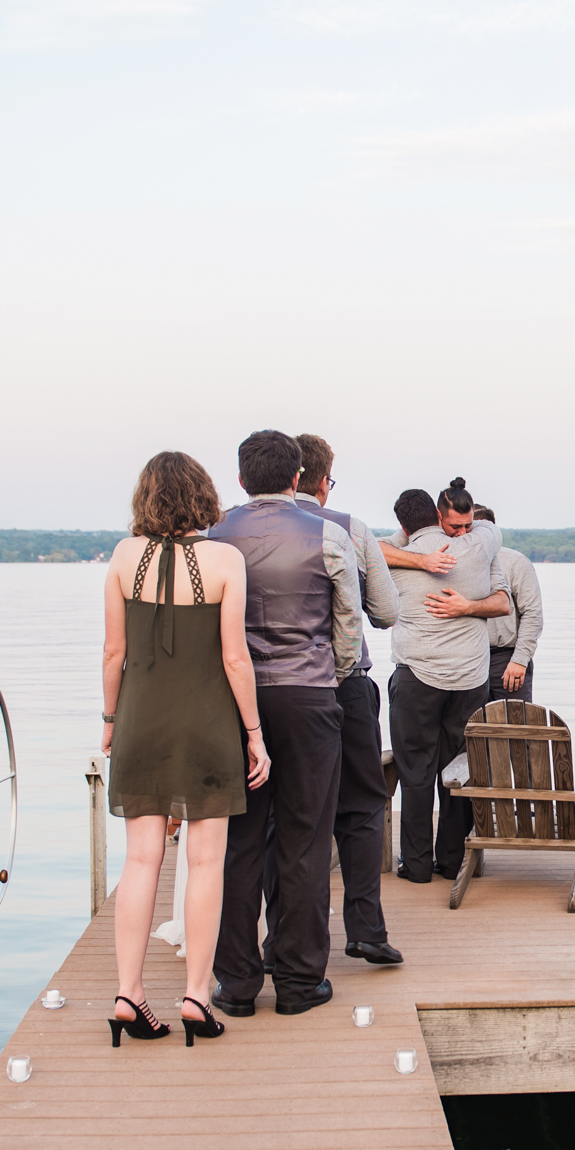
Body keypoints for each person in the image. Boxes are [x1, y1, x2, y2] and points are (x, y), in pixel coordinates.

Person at [100, 450, 269, 1051]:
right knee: (206, 862)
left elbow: (113, 655)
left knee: (140, 860)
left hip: (142, 721)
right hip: (208, 725)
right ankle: (197, 996)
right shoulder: (227, 559)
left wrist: (111, 721)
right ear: (202, 495)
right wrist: (254, 734)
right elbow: (233, 658)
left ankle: (128, 994)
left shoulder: (123, 557)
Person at [206, 430, 362, 1017]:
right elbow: (348, 624)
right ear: (298, 478)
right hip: (309, 696)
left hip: (231, 703)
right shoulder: (329, 534)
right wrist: (335, 675)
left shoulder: (215, 535)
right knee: (305, 839)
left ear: (242, 479)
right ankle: (299, 982)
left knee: (237, 843)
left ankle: (237, 983)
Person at [290, 432, 404, 965]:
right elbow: (384, 611)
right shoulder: (349, 529)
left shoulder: (236, 529)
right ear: (320, 481)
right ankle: (365, 929)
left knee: (282, 816)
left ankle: (281, 940)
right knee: (361, 808)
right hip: (347, 686)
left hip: (273, 692)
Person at [384, 478, 509, 882]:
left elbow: (363, 550)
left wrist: (413, 557)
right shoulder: (477, 545)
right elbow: (490, 528)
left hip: (416, 676)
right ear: (441, 516)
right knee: (459, 767)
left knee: (414, 771)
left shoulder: (394, 559)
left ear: (403, 526)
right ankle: (452, 860)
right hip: (469, 678)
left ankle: (416, 866)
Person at [470, 505, 542, 707]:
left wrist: (520, 660)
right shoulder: (456, 561)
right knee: (470, 732)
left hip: (506, 660)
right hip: (467, 659)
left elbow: (533, 614)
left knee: (515, 729)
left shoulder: (516, 562)